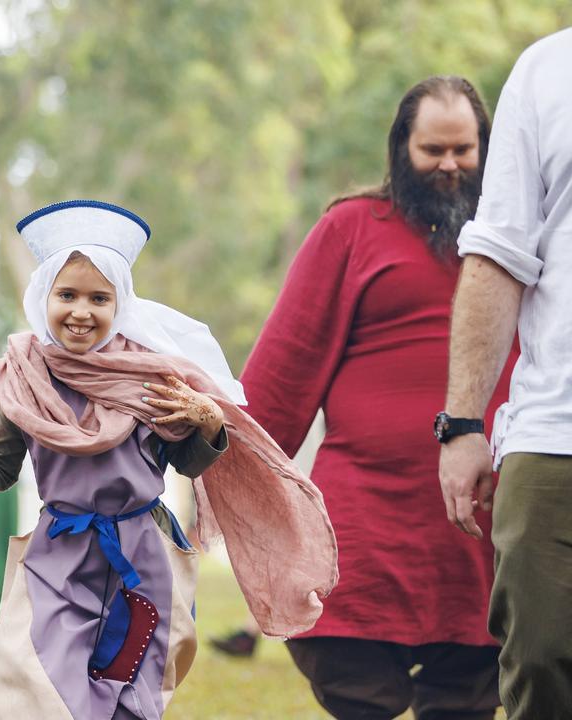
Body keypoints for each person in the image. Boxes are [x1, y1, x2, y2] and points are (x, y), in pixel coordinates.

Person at [0, 200, 337, 719]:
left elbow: (189, 463)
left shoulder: (152, 376)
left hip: (141, 558)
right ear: (44, 296)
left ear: (120, 302)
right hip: (57, 557)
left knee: (131, 696)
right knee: (41, 689)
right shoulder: (24, 376)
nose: (81, 311)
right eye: (67, 295)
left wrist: (209, 422)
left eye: (98, 297)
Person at [241, 76, 516, 720]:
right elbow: (284, 370)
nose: (449, 165)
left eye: (464, 149)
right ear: (401, 149)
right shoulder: (351, 227)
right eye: (432, 150)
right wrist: (232, 473)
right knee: (356, 684)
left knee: (471, 692)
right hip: (365, 517)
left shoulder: (513, 240)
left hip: (481, 520)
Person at [440, 29, 572, 719]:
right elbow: (498, 253)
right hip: (555, 432)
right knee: (542, 658)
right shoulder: (548, 70)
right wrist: (462, 422)